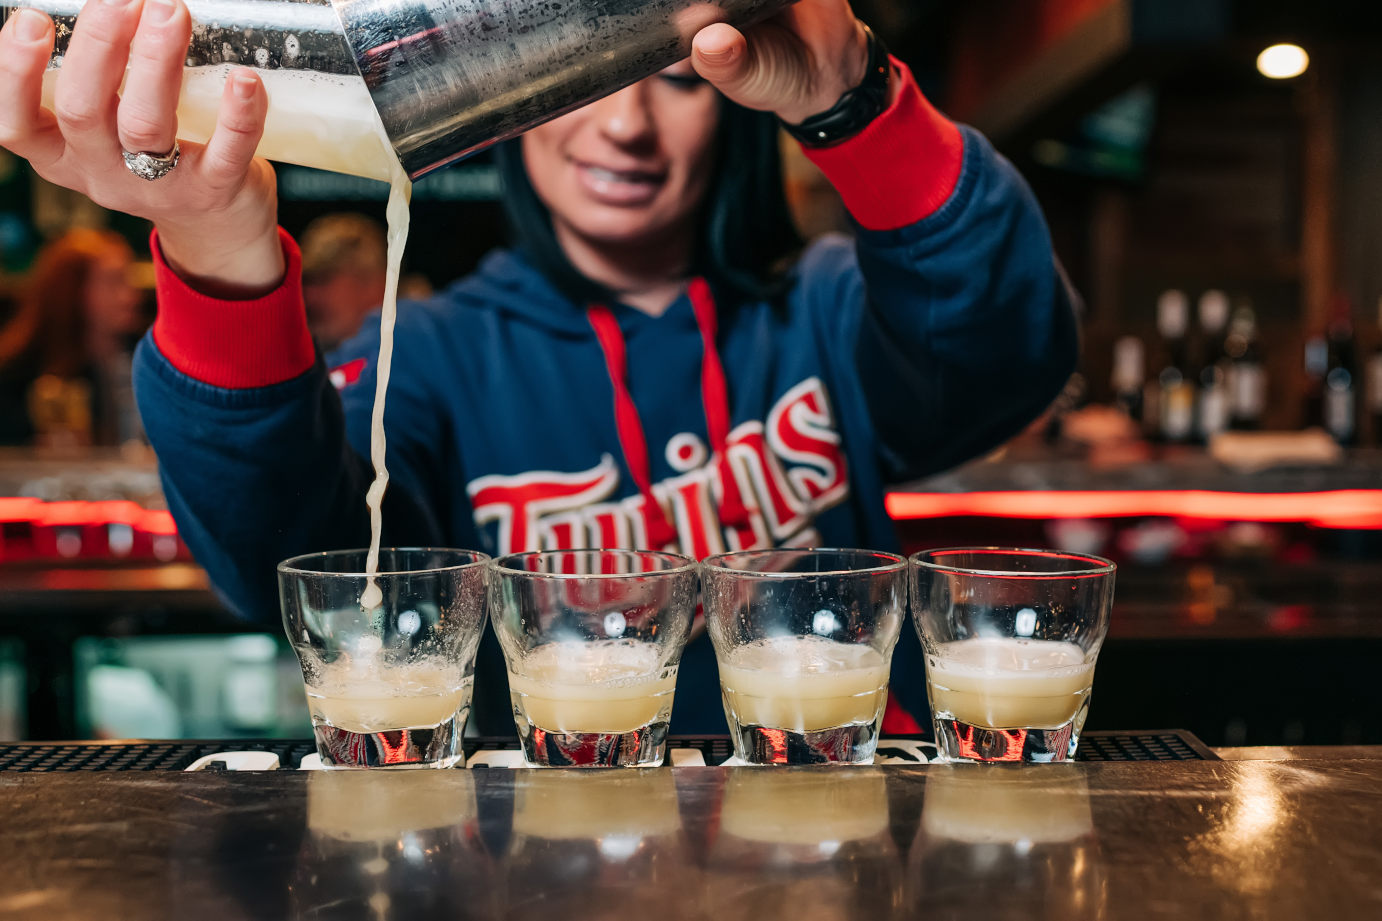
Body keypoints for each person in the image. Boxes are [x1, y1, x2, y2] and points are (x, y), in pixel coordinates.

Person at [0, 0, 1078, 734]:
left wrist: (857, 102)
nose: (624, 126)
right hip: (540, 843)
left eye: (675, 81)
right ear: (510, 95)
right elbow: (281, 564)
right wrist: (217, 251)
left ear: (734, 106)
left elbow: (1006, 358)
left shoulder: (821, 305)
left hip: (840, 827)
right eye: (587, 77)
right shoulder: (431, 350)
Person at [0, 227, 145, 446]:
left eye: (128, 279)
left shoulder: (146, 359)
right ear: (72, 290)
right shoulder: (18, 374)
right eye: (114, 281)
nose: (131, 296)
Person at [299, 212, 388, 352]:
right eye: (307, 281)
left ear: (372, 284)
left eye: (324, 279)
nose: (309, 296)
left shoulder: (417, 350)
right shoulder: (298, 359)